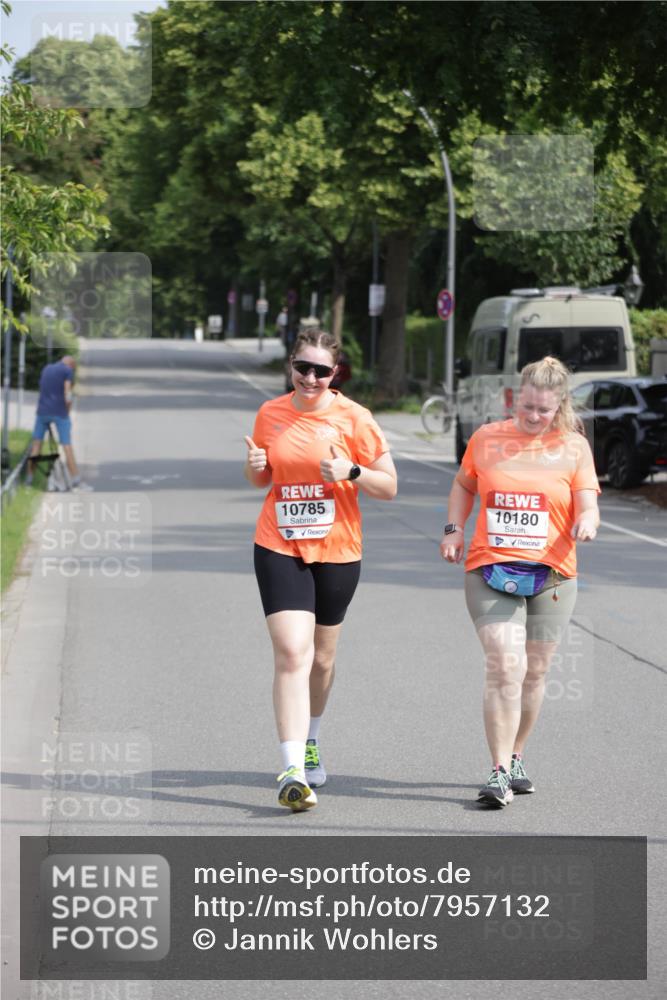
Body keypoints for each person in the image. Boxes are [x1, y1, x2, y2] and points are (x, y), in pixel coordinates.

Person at [244, 327, 397, 811]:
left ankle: (310, 739)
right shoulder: (271, 413)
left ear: (336, 374)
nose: (310, 377)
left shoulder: (355, 418)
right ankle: (291, 769)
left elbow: (389, 486)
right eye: (302, 367)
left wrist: (352, 472)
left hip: (337, 549)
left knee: (322, 659)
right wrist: (254, 464)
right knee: (293, 652)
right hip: (279, 542)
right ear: (291, 366)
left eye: (321, 370)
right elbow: (261, 478)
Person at [440, 356, 600, 808]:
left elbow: (587, 500)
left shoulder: (573, 448)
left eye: (543, 410)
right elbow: (464, 486)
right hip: (490, 568)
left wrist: (587, 521)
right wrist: (454, 528)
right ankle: (497, 772)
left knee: (535, 673)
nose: (533, 416)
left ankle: (516, 756)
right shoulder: (488, 438)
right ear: (515, 398)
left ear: (560, 406)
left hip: (552, 575)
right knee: (505, 666)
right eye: (526, 406)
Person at [27, 355, 90, 490]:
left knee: (36, 445)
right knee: (66, 444)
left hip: (42, 412)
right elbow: (67, 394)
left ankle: (29, 479)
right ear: (71, 365)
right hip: (59, 413)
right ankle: (76, 480)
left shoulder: (47, 368)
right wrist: (67, 411)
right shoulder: (68, 371)